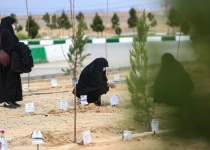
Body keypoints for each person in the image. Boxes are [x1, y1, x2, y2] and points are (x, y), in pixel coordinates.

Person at [0, 16, 22, 108]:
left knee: (13, 80)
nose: (13, 25)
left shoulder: (5, 31)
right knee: (10, 80)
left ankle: (12, 99)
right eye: (12, 24)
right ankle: (8, 100)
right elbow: (11, 46)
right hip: (9, 62)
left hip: (8, 61)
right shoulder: (6, 32)